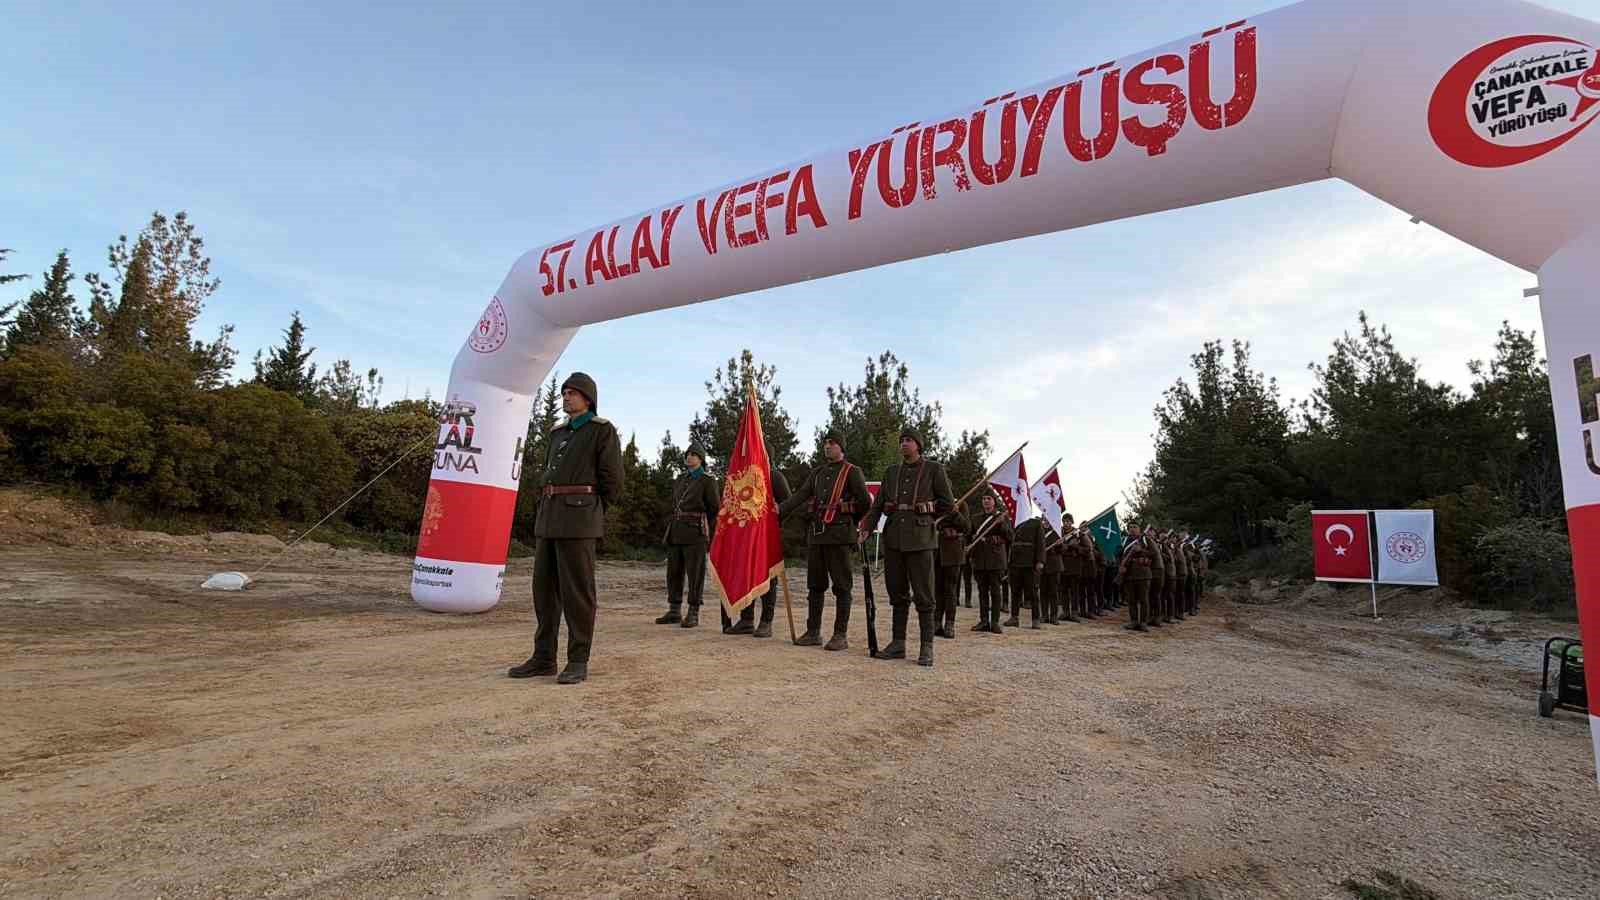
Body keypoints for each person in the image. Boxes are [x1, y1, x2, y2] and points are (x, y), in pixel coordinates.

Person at [508, 372, 624, 684]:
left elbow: (613, 481)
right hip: (549, 517)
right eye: (564, 392)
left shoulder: (602, 431)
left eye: (573, 393)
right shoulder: (557, 433)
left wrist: (590, 511)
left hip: (579, 519)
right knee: (543, 591)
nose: (566, 397)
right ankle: (544, 657)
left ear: (588, 399)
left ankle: (577, 659)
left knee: (577, 593)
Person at [862, 429, 956, 666]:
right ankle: (898, 644)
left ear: (919, 445)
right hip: (893, 539)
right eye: (902, 440)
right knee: (897, 593)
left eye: (909, 440)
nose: (904, 444)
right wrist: (866, 528)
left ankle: (927, 647)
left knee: (924, 595)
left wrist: (928, 513)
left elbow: (948, 504)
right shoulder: (891, 472)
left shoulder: (934, 469)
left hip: (921, 540)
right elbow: (878, 505)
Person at [778, 433, 871, 650]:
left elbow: (865, 502)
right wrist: (779, 511)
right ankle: (813, 632)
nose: (827, 446)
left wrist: (849, 522)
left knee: (842, 586)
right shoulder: (817, 473)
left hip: (839, 537)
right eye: (825, 443)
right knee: (815, 586)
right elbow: (800, 495)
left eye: (832, 443)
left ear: (841, 447)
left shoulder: (852, 472)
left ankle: (840, 635)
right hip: (817, 536)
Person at [657, 445, 720, 629]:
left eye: (694, 455)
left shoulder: (708, 480)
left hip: (696, 533)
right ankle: (674, 610)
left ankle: (693, 612)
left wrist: (705, 527)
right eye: (688, 454)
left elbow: (714, 508)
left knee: (695, 574)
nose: (689, 457)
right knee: (673, 572)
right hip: (676, 531)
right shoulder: (679, 479)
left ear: (701, 459)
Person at [726, 464, 793, 637]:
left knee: (769, 578)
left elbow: (788, 503)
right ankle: (746, 620)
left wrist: (774, 523)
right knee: (746, 576)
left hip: (767, 536)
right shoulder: (745, 476)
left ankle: (766, 622)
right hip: (747, 536)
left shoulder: (775, 477)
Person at [967, 493, 1012, 633]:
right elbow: (970, 537)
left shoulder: (1002, 518)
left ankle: (995, 622)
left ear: (994, 502)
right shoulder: (975, 519)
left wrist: (1002, 524)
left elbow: (1010, 536)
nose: (986, 501)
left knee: (995, 592)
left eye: (989, 499)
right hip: (980, 559)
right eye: (984, 498)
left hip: (996, 560)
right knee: (982, 592)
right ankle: (984, 621)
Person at [933, 500, 971, 639]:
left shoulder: (960, 504)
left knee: (950, 590)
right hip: (937, 551)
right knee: (937, 589)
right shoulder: (936, 503)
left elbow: (967, 528)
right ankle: (936, 623)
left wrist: (955, 513)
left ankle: (950, 624)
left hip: (953, 553)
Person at [1006, 512, 1048, 629]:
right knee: (1015, 592)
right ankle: (1014, 617)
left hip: (1030, 563)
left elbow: (1041, 543)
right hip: (1015, 562)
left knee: (1033, 593)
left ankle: (1035, 619)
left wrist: (1040, 561)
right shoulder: (1014, 522)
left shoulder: (1035, 523)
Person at [1115, 522, 1155, 633]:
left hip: (1143, 574)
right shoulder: (1124, 541)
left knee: (1143, 600)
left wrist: (1140, 550)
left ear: (1139, 529)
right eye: (1130, 527)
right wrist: (1120, 566)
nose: (1132, 529)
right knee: (1131, 600)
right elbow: (1117, 554)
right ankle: (1133, 621)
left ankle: (1143, 623)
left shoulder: (1146, 540)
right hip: (1128, 574)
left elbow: (1154, 554)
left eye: (1135, 527)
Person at [1041, 523, 1065, 625]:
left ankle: (1054, 616)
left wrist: (1060, 544)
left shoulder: (1057, 532)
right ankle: (1044, 615)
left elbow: (1062, 550)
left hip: (1054, 566)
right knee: (1043, 593)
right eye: (1044, 518)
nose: (1046, 521)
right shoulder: (1040, 531)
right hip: (1042, 565)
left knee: (1053, 592)